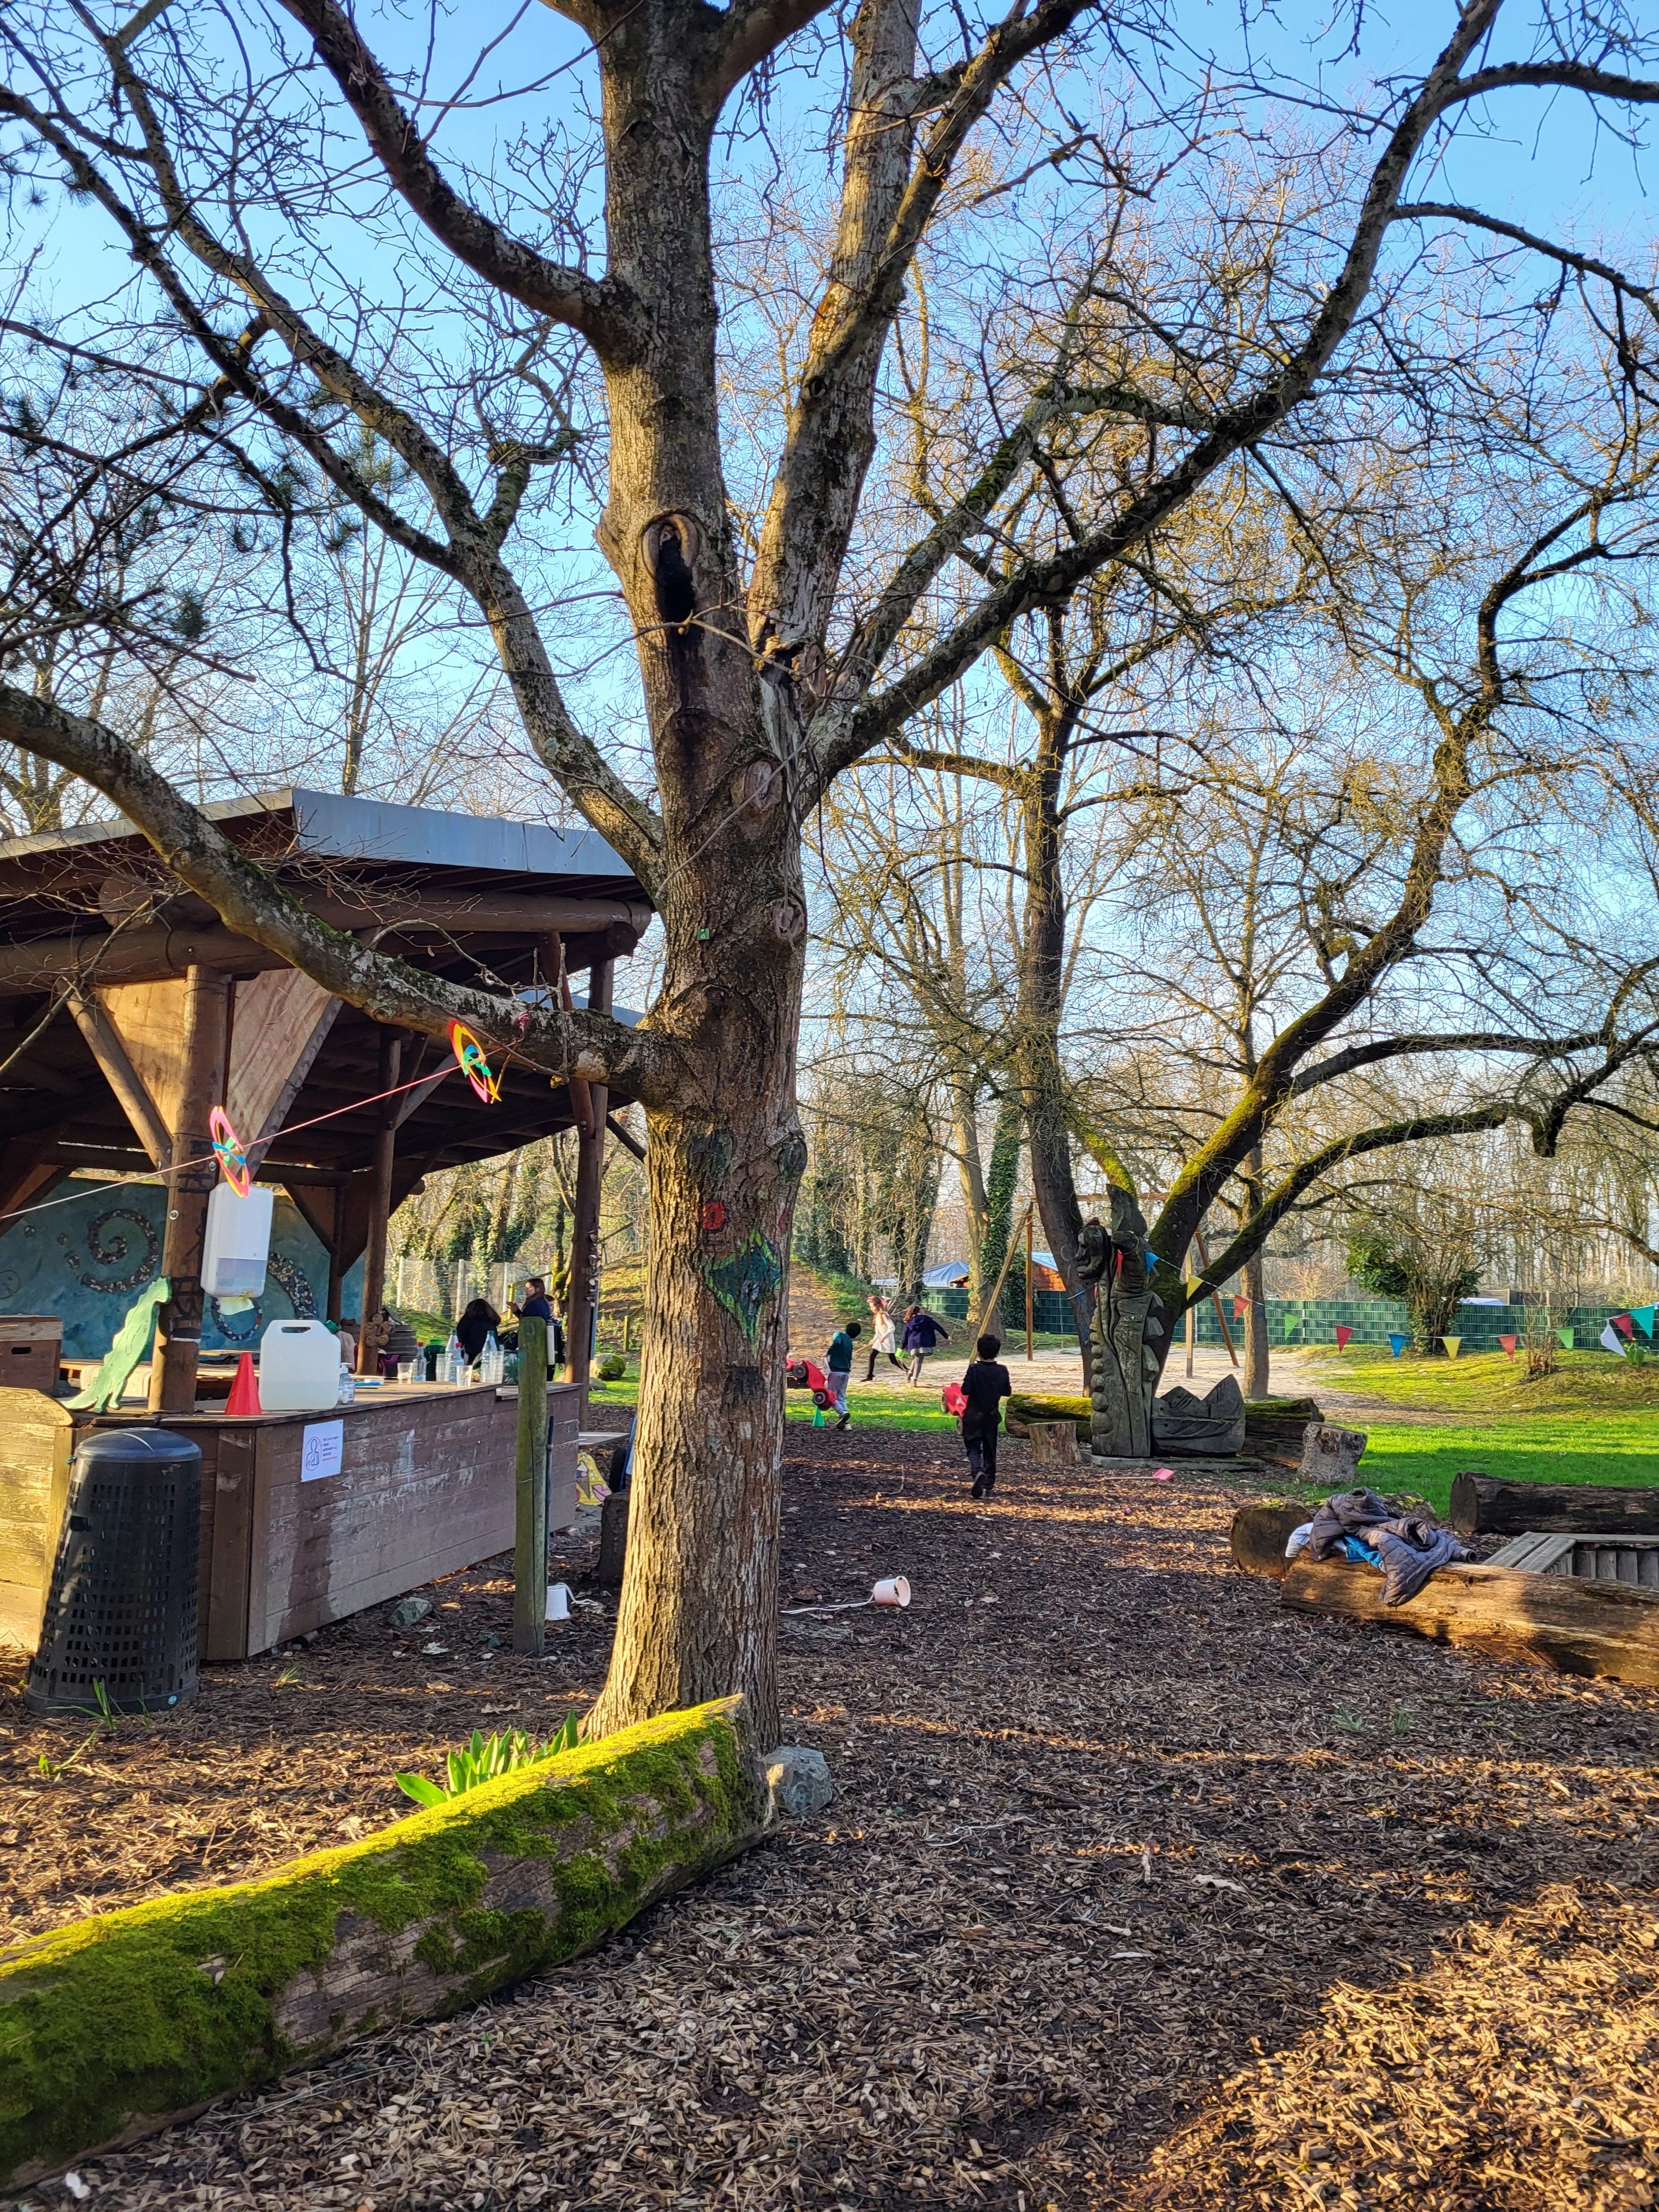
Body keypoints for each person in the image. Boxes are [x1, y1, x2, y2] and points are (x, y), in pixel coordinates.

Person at [959, 1332, 1013, 1497]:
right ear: (997, 1352)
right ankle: (989, 1485)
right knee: (991, 1449)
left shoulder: (974, 1369)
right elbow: (1007, 1391)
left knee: (973, 1446)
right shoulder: (1002, 1370)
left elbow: (965, 1390)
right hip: (991, 1415)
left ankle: (977, 1471)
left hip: (973, 1414)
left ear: (979, 1352)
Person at [508, 1276, 567, 1368]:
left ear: (537, 1289)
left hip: (534, 1342)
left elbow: (528, 1322)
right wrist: (517, 1311)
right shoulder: (541, 1302)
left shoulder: (535, 1304)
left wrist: (518, 1313)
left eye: (529, 1288)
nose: (526, 1291)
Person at [901, 1302, 952, 1384]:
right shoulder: (927, 1319)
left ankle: (909, 1376)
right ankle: (914, 1380)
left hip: (913, 1344)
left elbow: (905, 1335)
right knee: (919, 1361)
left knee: (917, 1358)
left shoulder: (909, 1322)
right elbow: (938, 1327)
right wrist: (947, 1336)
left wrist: (901, 1347)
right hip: (925, 1343)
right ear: (920, 1311)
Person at [824, 1319, 861, 1428]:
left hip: (836, 1371)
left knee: (830, 1394)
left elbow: (836, 1342)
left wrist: (829, 1352)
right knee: (841, 1396)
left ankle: (842, 1413)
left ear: (846, 1328)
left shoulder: (838, 1335)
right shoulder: (850, 1343)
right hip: (846, 1372)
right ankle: (845, 1421)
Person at [455, 1296, 500, 1365]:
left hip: (470, 1357)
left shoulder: (467, 1320)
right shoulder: (491, 1323)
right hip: (490, 1358)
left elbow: (460, 1338)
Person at [864, 1295, 900, 1380]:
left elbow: (892, 1328)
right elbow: (878, 1332)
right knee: (872, 1356)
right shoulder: (876, 1316)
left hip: (888, 1341)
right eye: (871, 1307)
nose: (871, 1309)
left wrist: (884, 1337)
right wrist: (874, 1340)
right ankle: (870, 1376)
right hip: (880, 1341)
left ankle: (907, 1370)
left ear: (877, 1306)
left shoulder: (883, 1315)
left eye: (873, 1307)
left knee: (892, 1360)